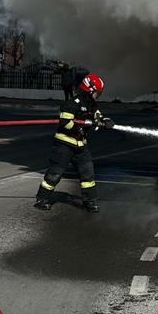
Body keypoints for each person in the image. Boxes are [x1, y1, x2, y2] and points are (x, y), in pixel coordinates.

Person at [34, 71, 112, 214]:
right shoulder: (71, 104)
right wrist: (83, 126)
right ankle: (42, 199)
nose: (98, 95)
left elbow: (97, 115)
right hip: (64, 145)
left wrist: (104, 121)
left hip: (80, 145)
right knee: (55, 173)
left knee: (87, 174)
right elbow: (65, 123)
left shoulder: (91, 105)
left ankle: (90, 201)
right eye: (97, 93)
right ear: (89, 90)